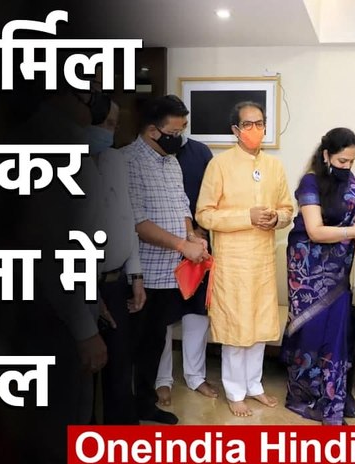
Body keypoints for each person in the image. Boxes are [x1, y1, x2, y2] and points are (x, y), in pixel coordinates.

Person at [195, 101, 294, 417]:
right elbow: (204, 214)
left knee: (259, 327)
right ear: (235, 130)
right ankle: (235, 391)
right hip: (233, 262)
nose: (255, 129)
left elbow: (287, 209)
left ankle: (254, 385)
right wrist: (245, 217)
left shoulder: (274, 166)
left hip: (263, 260)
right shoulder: (220, 165)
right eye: (248, 124)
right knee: (236, 329)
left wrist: (276, 218)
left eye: (260, 123)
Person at [281, 128, 355, 425]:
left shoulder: (349, 180)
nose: (347, 166)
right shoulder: (310, 183)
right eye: (342, 160)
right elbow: (315, 231)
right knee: (312, 329)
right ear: (326, 155)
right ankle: (305, 395)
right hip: (308, 270)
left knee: (338, 330)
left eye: (351, 161)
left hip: (338, 270)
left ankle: (333, 396)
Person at [123, 95, 208, 425]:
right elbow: (138, 223)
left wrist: (191, 236)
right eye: (175, 131)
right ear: (152, 131)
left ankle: (146, 405)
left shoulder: (171, 162)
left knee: (155, 343)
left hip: (170, 273)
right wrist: (181, 244)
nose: (180, 138)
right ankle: (124, 413)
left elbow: (181, 205)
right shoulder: (128, 161)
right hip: (141, 274)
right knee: (131, 347)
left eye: (183, 129)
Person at [85, 98, 148, 425]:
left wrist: (135, 275)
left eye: (114, 124)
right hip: (79, 287)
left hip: (116, 281)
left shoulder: (113, 160)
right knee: (84, 374)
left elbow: (127, 219)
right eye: (105, 124)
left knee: (121, 367)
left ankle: (121, 439)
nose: (110, 132)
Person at [154, 135, 219, 405]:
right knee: (163, 317)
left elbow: (213, 195)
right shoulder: (149, 155)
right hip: (161, 247)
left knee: (197, 313)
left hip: (198, 244)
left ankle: (195, 376)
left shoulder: (201, 152)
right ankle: (162, 380)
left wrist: (200, 229)